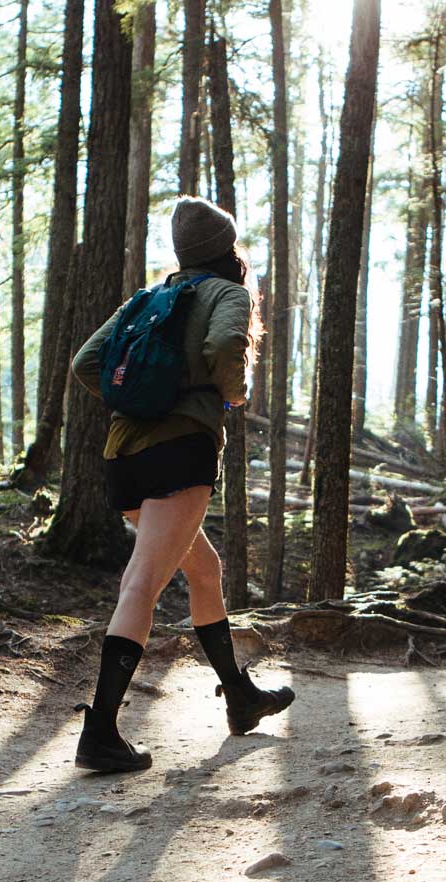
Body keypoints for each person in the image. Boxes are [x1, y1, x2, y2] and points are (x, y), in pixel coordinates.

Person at [69, 196, 295, 773]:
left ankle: (240, 698)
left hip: (125, 456)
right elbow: (224, 347)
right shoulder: (228, 293)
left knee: (203, 569)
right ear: (227, 248)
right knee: (141, 584)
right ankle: (99, 733)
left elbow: (86, 363)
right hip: (180, 453)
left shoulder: (150, 297)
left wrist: (139, 401)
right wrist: (230, 394)